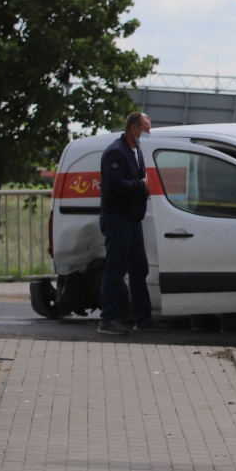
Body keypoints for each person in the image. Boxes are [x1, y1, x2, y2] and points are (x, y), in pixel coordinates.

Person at [98, 112, 169, 335]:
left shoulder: (138, 151)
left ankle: (143, 318)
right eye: (146, 129)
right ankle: (107, 320)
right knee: (115, 270)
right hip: (117, 219)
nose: (149, 134)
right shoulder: (115, 153)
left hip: (132, 220)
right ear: (134, 129)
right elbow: (116, 186)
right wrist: (142, 185)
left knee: (139, 269)